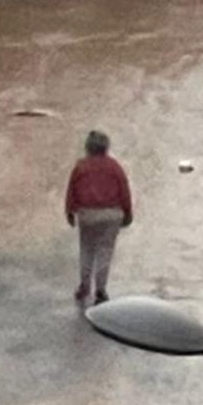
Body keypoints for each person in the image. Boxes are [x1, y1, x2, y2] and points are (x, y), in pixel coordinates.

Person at [65, 130, 133, 305]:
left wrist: (70, 211)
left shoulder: (81, 167)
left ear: (88, 147)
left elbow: (71, 191)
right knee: (105, 251)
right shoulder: (114, 167)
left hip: (88, 213)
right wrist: (127, 213)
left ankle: (84, 285)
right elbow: (124, 190)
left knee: (87, 249)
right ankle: (101, 289)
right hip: (111, 214)